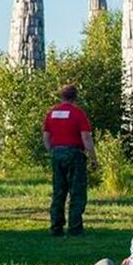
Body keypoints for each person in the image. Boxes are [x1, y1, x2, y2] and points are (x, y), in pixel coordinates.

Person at [43, 84, 99, 236]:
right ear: (75, 97)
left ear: (61, 96)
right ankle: (74, 228)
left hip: (57, 153)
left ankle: (56, 227)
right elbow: (86, 137)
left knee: (59, 192)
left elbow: (46, 137)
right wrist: (93, 158)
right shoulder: (78, 113)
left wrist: (53, 152)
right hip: (75, 154)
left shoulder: (52, 113)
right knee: (77, 192)